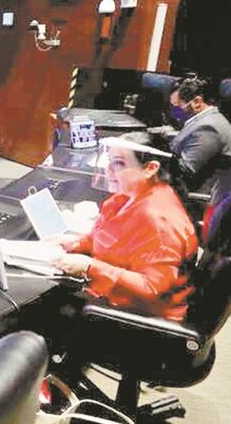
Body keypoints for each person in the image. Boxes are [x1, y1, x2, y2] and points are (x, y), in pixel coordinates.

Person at [50, 134, 198, 321]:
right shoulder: (125, 195)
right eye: (109, 161)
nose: (108, 170)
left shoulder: (160, 221)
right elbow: (105, 238)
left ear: (150, 168)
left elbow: (151, 287)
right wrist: (75, 243)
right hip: (111, 297)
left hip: (140, 317)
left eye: (119, 164)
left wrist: (90, 266)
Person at [168, 75, 231, 193]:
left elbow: (186, 171)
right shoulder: (202, 119)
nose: (174, 112)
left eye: (176, 106)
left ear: (197, 102)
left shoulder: (209, 128)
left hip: (190, 195)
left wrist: (157, 158)